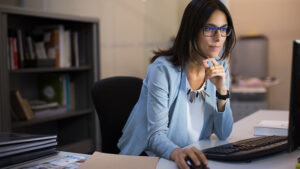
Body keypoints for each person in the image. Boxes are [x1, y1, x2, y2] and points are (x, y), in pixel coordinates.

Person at [118, 0, 236, 168]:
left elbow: (223, 133)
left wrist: (221, 90)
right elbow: (155, 136)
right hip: (149, 159)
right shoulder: (163, 70)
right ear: (191, 30)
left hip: (190, 157)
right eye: (210, 29)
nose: (219, 37)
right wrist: (177, 153)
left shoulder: (219, 67)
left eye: (223, 29)